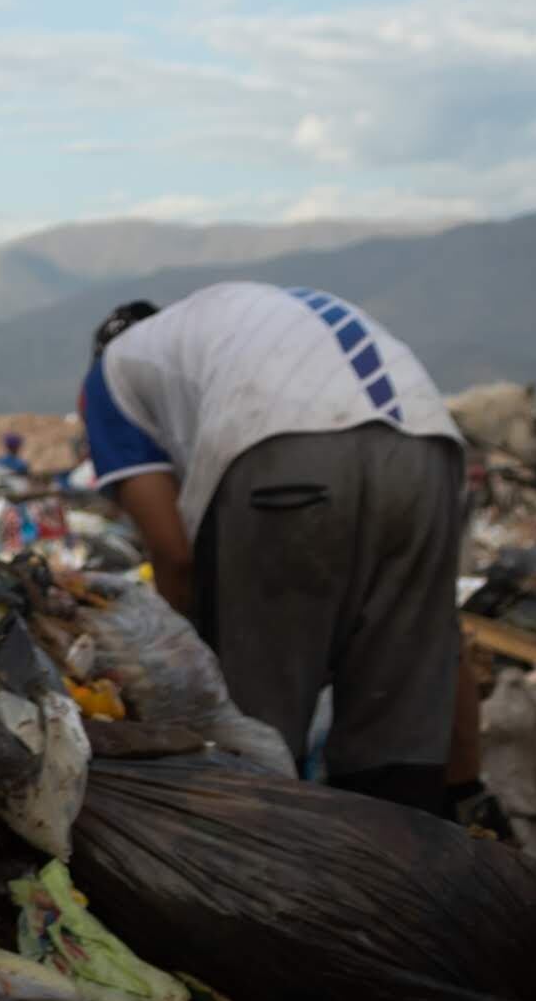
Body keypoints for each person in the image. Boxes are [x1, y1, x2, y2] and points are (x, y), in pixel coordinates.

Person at [72, 280, 468, 806]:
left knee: (255, 720)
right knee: (396, 710)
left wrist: (172, 671)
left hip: (283, 456)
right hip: (429, 446)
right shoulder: (227, 325)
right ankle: (406, 868)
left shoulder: (110, 374)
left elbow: (174, 555)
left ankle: (257, 868)